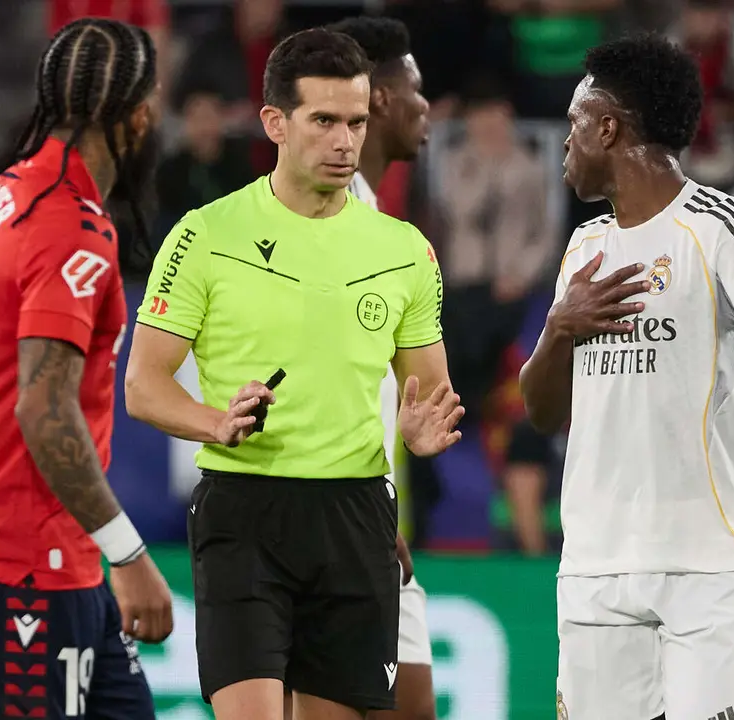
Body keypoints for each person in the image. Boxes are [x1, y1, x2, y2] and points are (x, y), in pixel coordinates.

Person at [123, 27, 463, 720]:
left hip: (355, 516)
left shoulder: (404, 250)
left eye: (357, 122)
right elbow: (143, 386)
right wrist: (213, 422)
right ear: (276, 122)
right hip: (244, 512)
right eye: (325, 121)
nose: (346, 142)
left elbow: (430, 393)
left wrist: (425, 431)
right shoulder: (203, 235)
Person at [518, 34, 734, 720]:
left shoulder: (721, 227)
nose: (565, 144)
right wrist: (558, 328)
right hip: (597, 567)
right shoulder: (585, 248)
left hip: (709, 566)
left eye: (574, 124)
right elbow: (542, 413)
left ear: (608, 125)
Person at [0, 18, 172, 720]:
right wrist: (129, 554)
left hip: (35, 559)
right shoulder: (71, 227)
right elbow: (44, 407)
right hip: (25, 567)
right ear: (138, 116)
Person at [328, 16, 437, 720]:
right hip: (332, 518)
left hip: (369, 515)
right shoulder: (327, 223)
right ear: (379, 102)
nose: (429, 107)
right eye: (417, 90)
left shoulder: (380, 221)